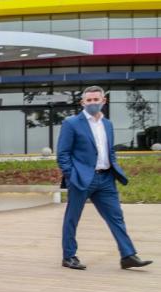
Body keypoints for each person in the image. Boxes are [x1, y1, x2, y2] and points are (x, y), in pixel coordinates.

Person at [57, 86, 151, 271]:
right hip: (82, 179)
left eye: (96, 100)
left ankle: (128, 256)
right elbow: (63, 154)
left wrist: (113, 166)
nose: (93, 103)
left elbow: (110, 151)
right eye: (89, 100)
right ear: (83, 102)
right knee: (72, 218)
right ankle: (69, 256)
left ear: (103, 101)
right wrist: (72, 175)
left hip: (106, 178)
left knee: (116, 217)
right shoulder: (72, 123)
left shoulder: (107, 124)